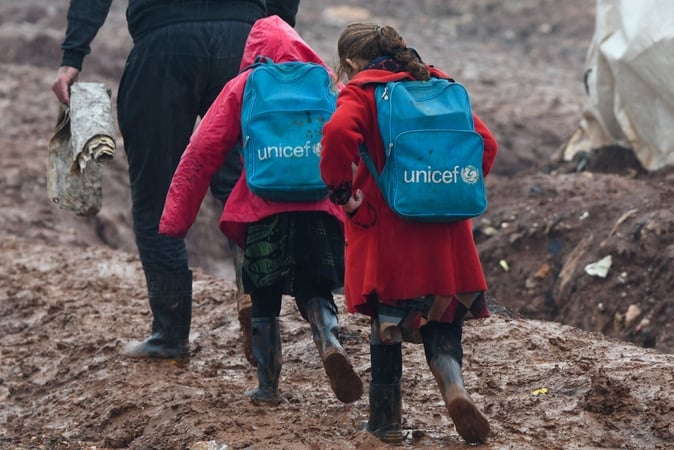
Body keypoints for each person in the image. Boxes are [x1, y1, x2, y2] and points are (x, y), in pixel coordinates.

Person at [51, 0, 301, 361]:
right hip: (241, 41)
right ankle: (257, 306)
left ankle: (170, 334)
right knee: (245, 186)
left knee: (157, 192)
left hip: (162, 44)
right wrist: (275, 26)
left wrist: (72, 55)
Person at [159, 15, 363, 405]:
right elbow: (355, 136)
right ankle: (329, 340)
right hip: (319, 206)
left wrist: (175, 220)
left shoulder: (245, 84)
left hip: (262, 210)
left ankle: (268, 386)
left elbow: (202, 151)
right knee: (315, 287)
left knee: (264, 298)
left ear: (254, 51)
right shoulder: (326, 82)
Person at [319, 22, 498, 444]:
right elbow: (485, 145)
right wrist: (449, 189)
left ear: (350, 63)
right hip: (448, 232)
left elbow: (337, 134)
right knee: (443, 317)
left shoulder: (363, 91)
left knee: (386, 325)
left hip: (392, 231)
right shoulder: (438, 85)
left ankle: (385, 422)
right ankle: (453, 386)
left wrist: (342, 193)